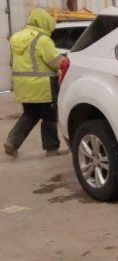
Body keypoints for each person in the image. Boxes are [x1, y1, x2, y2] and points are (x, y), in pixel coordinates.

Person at [3, 8, 64, 157]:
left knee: (30, 114)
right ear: (44, 21)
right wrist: (65, 60)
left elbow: (13, 62)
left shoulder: (16, 38)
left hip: (23, 85)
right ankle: (52, 149)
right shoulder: (42, 40)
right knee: (49, 117)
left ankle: (12, 142)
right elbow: (55, 62)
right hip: (42, 86)